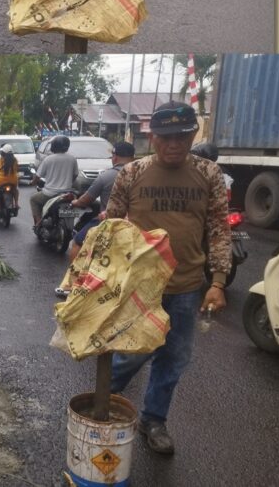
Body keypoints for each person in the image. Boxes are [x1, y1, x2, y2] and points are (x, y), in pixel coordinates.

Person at [105, 102, 231, 455]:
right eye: (165, 137)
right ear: (152, 137)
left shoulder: (209, 174)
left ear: (194, 134)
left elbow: (220, 228)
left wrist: (218, 282)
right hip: (140, 285)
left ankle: (154, 420)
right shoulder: (131, 173)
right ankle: (99, 403)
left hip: (187, 286)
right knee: (132, 353)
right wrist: (102, 278)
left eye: (181, 135)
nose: (173, 144)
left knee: (173, 358)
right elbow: (110, 227)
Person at [57, 141, 136, 281]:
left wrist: (75, 202)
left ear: (115, 157)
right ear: (133, 157)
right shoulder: (141, 174)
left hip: (110, 221)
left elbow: (86, 200)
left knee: (77, 242)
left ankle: (75, 281)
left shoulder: (106, 176)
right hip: (136, 224)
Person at [29, 134, 79, 227]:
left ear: (54, 146)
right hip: (67, 194)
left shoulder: (48, 159)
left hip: (50, 194)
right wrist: (69, 183)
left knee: (33, 200)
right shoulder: (72, 159)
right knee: (73, 208)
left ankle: (39, 224)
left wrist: (33, 182)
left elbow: (38, 176)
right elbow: (75, 174)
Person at [0, 143, 20, 212]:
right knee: (16, 190)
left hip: (1, 180)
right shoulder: (15, 160)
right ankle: (16, 203)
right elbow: (17, 169)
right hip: (13, 180)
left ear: (3, 152)